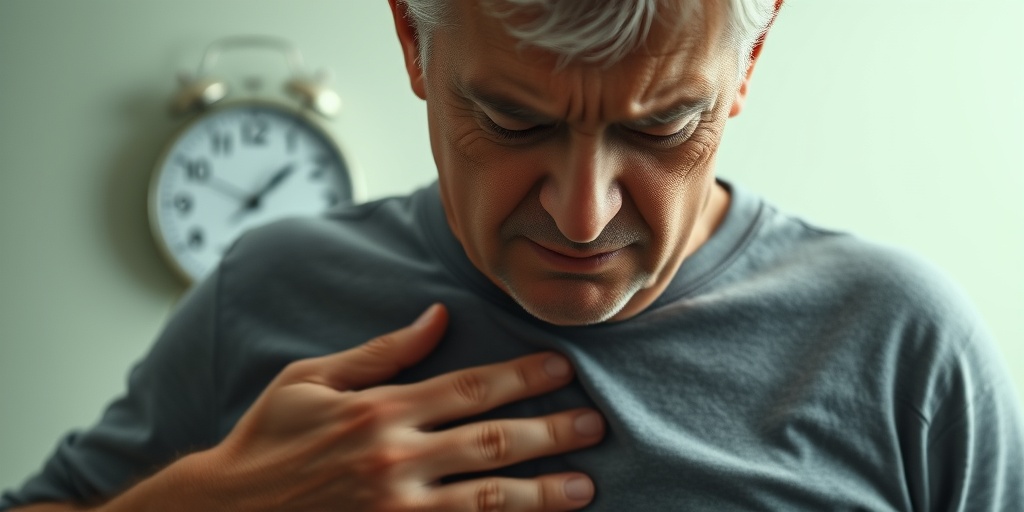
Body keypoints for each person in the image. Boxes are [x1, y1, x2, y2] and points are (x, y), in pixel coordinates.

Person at [3, 0, 1022, 510]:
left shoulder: (904, 352)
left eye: (664, 128)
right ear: (411, 38)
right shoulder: (265, 292)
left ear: (747, 62)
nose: (582, 217)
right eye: (510, 119)